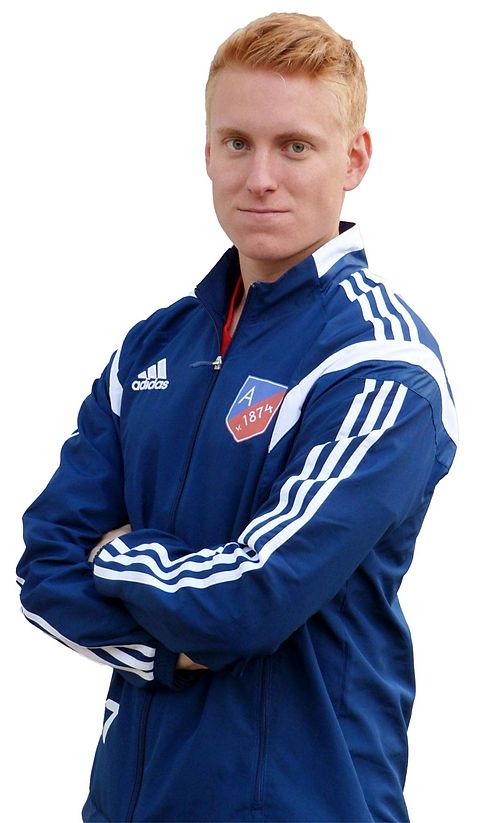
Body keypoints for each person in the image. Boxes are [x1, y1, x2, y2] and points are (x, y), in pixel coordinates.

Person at [16, 11, 457, 823]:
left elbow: (252, 598)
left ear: (354, 158)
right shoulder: (151, 347)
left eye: (295, 146)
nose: (260, 178)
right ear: (207, 152)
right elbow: (43, 568)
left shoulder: (380, 365)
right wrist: (170, 653)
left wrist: (115, 554)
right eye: (236, 143)